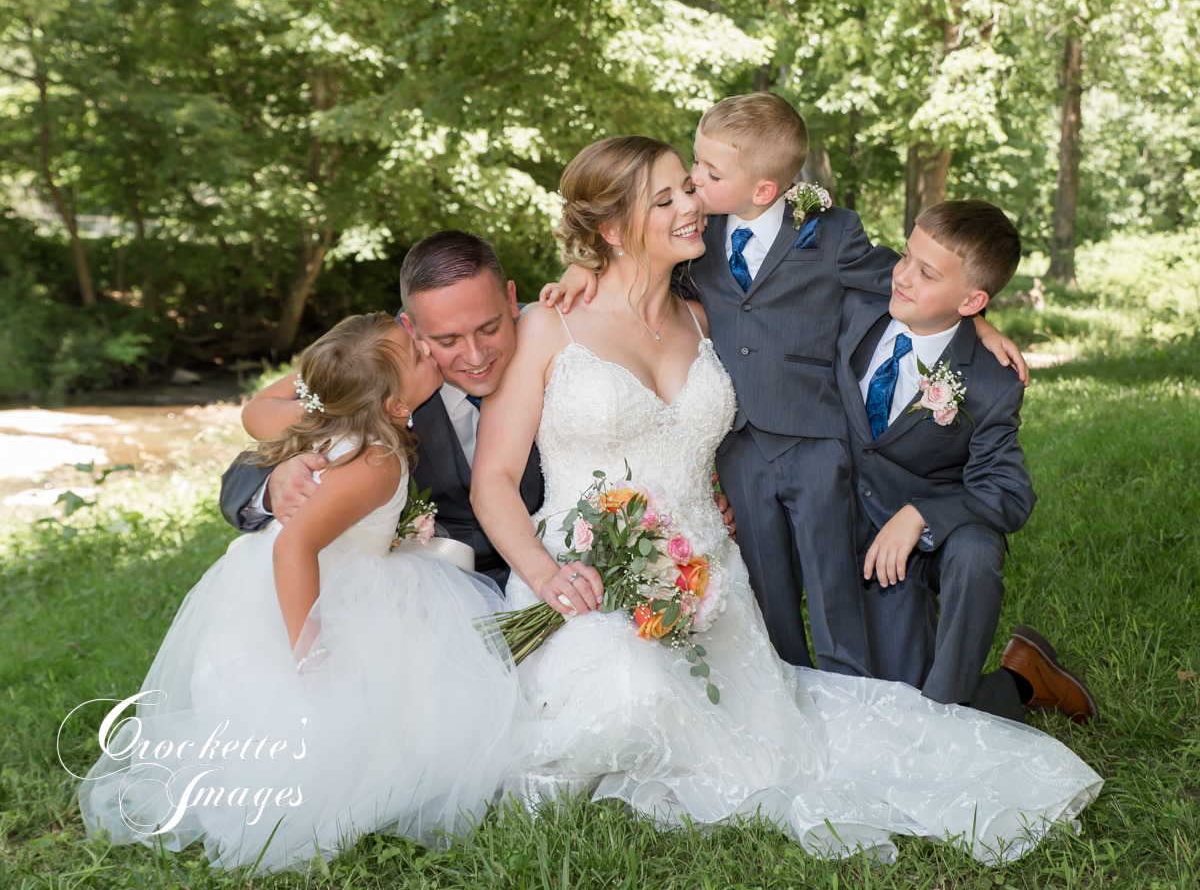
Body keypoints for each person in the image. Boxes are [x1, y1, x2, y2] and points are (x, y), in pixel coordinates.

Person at [473, 136, 1100, 864]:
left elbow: (886, 290)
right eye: (669, 197)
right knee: (630, 691)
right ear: (612, 230)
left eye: (690, 186)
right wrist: (546, 577)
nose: (694, 203)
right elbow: (494, 482)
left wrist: (977, 322)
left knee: (818, 722)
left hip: (704, 573)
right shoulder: (552, 323)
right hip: (574, 568)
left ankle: (1011, 686)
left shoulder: (707, 315)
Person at [541, 92, 1027, 676]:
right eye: (695, 167)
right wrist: (585, 262)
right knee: (768, 583)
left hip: (816, 440)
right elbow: (636, 262)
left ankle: (846, 680)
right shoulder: (700, 238)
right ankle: (785, 683)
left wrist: (976, 319)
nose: (694, 183)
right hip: (743, 444)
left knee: (830, 581)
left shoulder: (829, 232)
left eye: (707, 173)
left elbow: (904, 282)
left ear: (764, 188)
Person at [78, 313, 524, 872]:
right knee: (375, 706)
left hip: (293, 578)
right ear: (392, 407)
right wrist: (310, 655)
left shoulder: (345, 400)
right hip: (313, 591)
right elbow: (295, 550)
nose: (426, 350)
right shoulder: (376, 461)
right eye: (415, 353)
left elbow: (269, 404)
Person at [838, 200, 1098, 723]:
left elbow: (1010, 491)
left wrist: (922, 514)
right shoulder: (859, 298)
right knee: (891, 700)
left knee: (977, 552)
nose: (903, 277)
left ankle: (949, 723)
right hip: (853, 519)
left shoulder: (989, 380)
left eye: (926, 273)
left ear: (973, 300)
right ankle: (1021, 679)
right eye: (906, 256)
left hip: (928, 537)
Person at [218, 231, 543, 588]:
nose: (476, 355)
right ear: (411, 328)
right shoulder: (383, 368)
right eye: (447, 340)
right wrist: (277, 481)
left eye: (490, 328)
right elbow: (246, 465)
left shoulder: (556, 339)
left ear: (511, 299)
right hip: (429, 597)